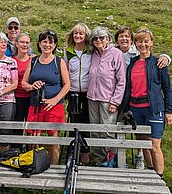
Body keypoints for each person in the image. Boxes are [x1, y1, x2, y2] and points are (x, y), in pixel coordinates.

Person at [114, 25, 171, 169]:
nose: (143, 44)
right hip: (135, 109)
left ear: (151, 42)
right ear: (135, 44)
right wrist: (126, 108)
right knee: (143, 144)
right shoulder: (132, 63)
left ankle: (160, 176)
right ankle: (150, 171)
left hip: (153, 108)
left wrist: (168, 111)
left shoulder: (159, 63)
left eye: (146, 41)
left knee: (154, 145)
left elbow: (167, 88)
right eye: (139, 42)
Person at [22, 29, 70, 165]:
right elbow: (24, 83)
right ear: (39, 44)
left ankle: (53, 168)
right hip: (36, 105)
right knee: (34, 139)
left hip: (54, 106)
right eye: (44, 42)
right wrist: (32, 86)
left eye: (50, 42)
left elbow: (67, 85)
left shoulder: (59, 62)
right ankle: (35, 165)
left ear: (54, 45)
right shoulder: (33, 61)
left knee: (54, 140)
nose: (47, 45)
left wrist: (55, 100)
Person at [87, 26, 126, 167]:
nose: (98, 40)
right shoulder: (93, 54)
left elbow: (121, 80)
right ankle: (98, 161)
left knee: (107, 131)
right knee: (95, 131)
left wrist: (115, 101)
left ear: (108, 39)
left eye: (101, 37)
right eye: (95, 38)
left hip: (108, 100)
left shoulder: (116, 53)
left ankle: (110, 161)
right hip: (92, 98)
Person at [63, 23, 91, 163]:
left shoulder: (91, 50)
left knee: (86, 121)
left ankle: (85, 152)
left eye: (81, 34)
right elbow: (66, 71)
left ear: (86, 36)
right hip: (73, 91)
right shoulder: (68, 51)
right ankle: (73, 150)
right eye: (75, 34)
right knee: (73, 121)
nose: (78, 36)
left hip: (88, 92)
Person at [12, 33, 33, 150]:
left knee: (31, 127)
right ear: (16, 43)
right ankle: (16, 151)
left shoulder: (33, 60)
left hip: (30, 97)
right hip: (16, 97)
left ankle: (31, 151)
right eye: (22, 42)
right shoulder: (11, 61)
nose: (25, 45)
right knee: (17, 126)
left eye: (27, 43)